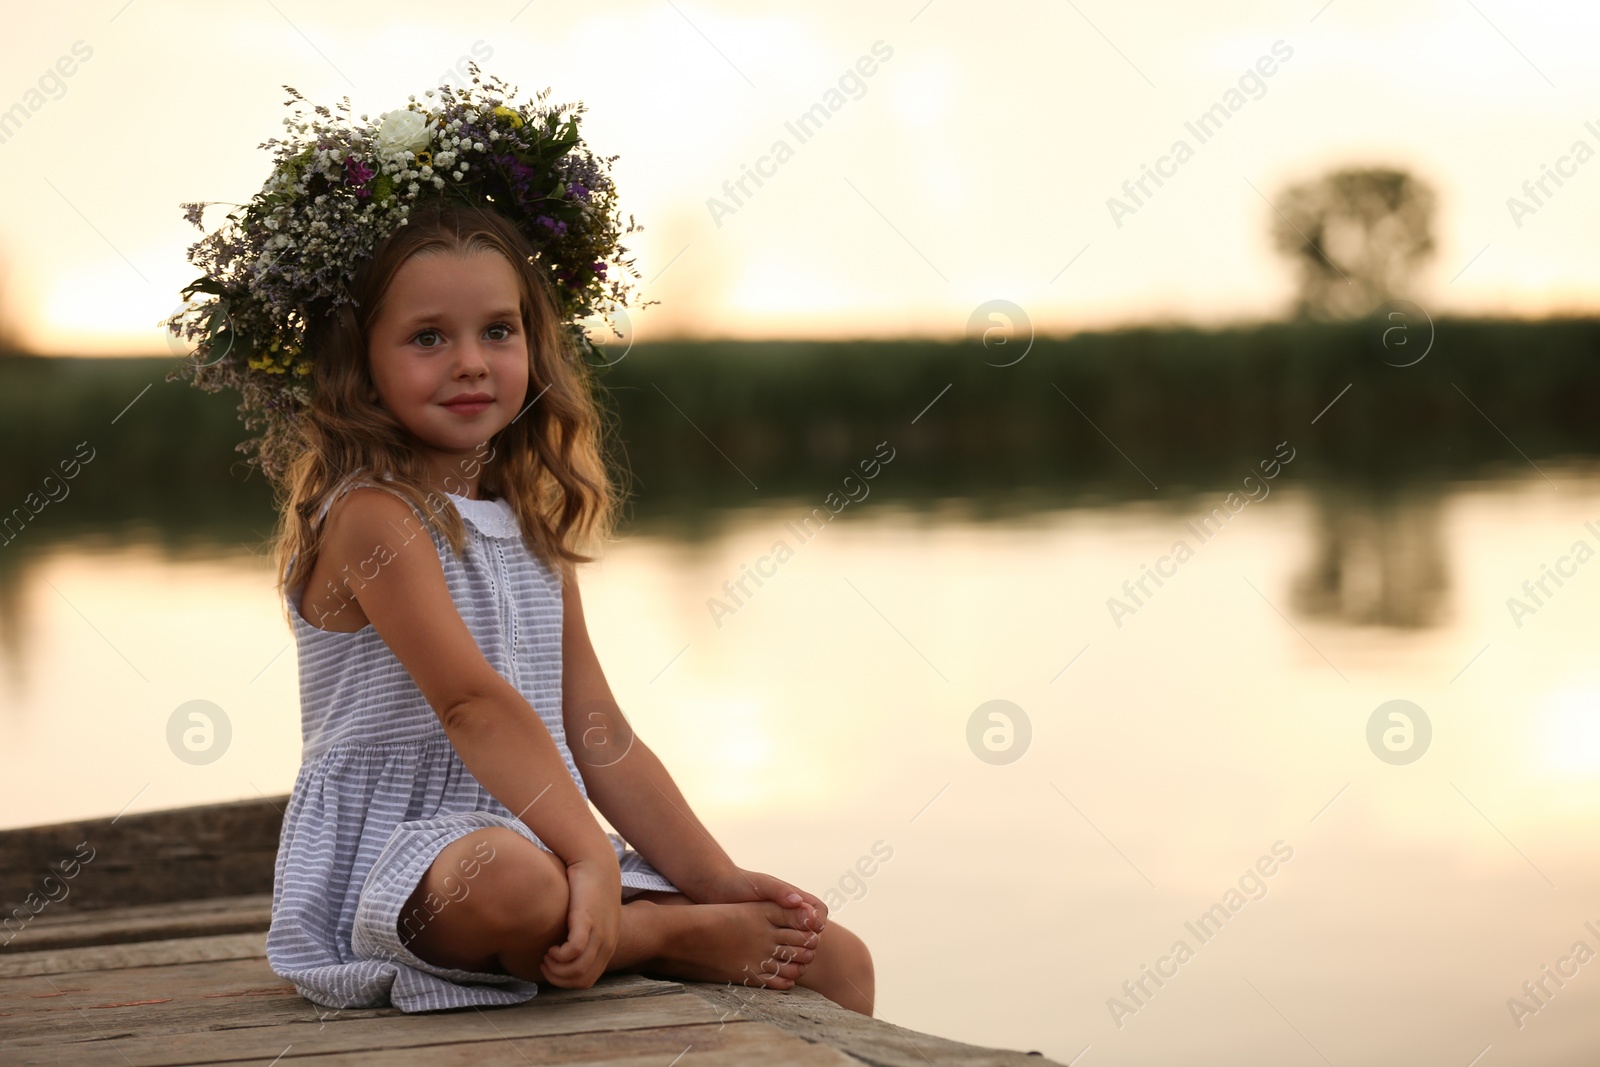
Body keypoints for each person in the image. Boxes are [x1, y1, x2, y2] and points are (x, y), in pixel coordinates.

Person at [167, 77, 874, 1016]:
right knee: (512, 883)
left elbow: (597, 728)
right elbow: (469, 703)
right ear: (360, 361)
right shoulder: (373, 514)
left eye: (497, 331)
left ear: (535, 345)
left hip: (549, 835)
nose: (470, 360)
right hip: (414, 862)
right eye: (428, 337)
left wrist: (715, 876)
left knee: (839, 958)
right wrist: (588, 857)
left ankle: (663, 917)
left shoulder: (526, 514)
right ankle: (652, 935)